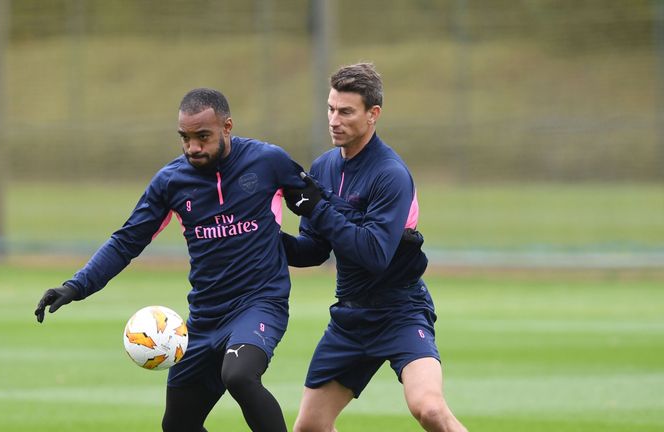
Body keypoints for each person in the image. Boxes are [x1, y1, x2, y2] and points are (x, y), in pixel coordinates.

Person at [34, 88, 307, 432]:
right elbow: (126, 241)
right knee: (178, 425)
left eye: (202, 136)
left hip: (259, 304)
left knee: (238, 376)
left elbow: (316, 204)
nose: (193, 147)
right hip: (204, 317)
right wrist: (76, 286)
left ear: (227, 127)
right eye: (185, 138)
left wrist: (314, 248)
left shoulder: (268, 162)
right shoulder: (171, 181)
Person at [282, 63, 468, 432]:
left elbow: (374, 254)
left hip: (401, 310)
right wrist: (262, 239)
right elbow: (314, 250)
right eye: (331, 109)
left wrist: (319, 207)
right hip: (351, 318)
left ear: (373, 115)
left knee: (429, 409)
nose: (335, 120)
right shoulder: (324, 168)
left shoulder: (390, 174)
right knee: (310, 427)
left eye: (346, 111)